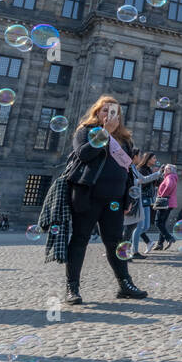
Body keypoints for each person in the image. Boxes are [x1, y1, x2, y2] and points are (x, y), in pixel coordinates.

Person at [59, 97, 146, 304]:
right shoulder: (85, 131)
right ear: (97, 112)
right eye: (104, 110)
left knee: (115, 243)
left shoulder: (125, 140)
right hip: (88, 195)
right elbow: (83, 155)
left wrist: (127, 199)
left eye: (113, 111)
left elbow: (128, 172)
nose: (108, 114)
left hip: (114, 199)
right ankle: (72, 288)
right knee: (80, 240)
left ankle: (125, 284)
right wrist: (105, 132)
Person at [150, 164, 178, 250]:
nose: (165, 170)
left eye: (168, 169)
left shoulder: (170, 177)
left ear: (172, 170)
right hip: (169, 203)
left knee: (158, 222)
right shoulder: (172, 176)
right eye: (165, 169)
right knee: (162, 223)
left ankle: (169, 238)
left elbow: (169, 186)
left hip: (165, 203)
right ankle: (160, 243)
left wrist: (162, 195)